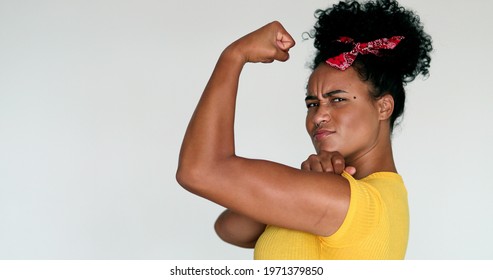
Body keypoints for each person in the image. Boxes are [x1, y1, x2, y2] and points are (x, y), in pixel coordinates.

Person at [176, 0, 432, 260]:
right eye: (312, 103)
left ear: (384, 107)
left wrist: (234, 55)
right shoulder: (353, 192)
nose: (318, 115)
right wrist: (308, 181)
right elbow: (229, 228)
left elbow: (200, 171)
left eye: (338, 99)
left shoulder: (357, 203)